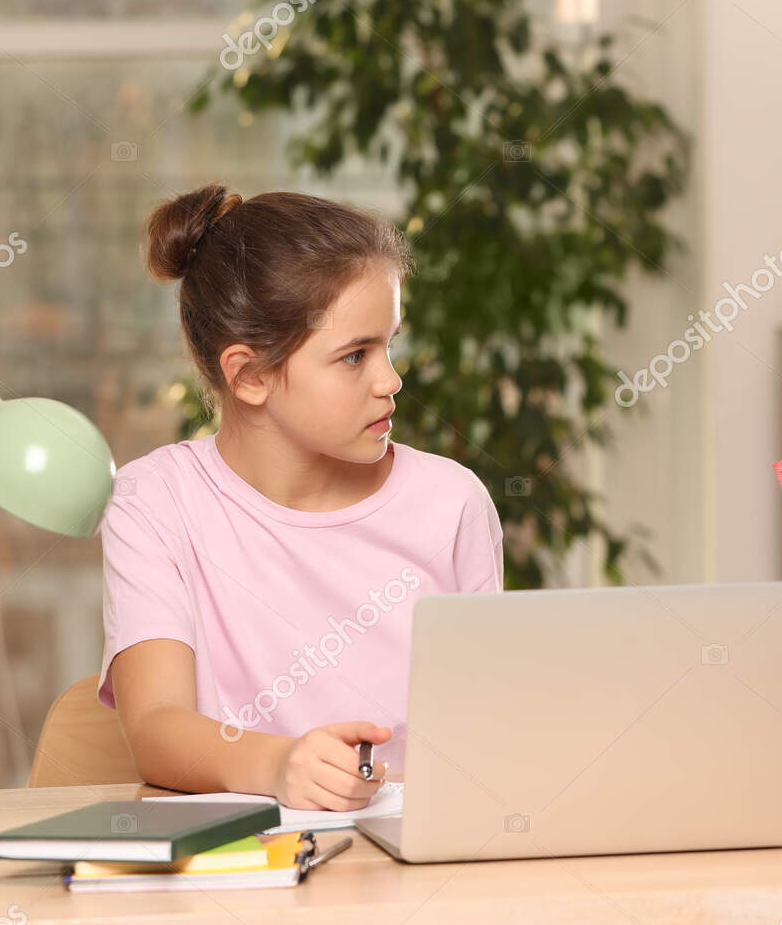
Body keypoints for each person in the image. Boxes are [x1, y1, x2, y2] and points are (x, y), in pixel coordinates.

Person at [98, 184, 503, 809]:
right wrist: (281, 763)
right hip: (247, 868)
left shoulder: (452, 502)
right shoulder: (153, 503)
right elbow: (155, 726)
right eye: (355, 356)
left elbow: (488, 729)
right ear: (251, 376)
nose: (390, 380)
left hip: (420, 860)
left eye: (389, 345)